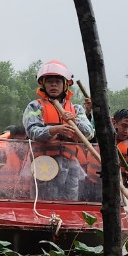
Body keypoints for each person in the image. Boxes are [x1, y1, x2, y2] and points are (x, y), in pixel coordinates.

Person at [22, 60, 93, 200]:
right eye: (49, 82)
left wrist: (75, 122)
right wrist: (55, 130)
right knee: (47, 204)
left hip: (71, 165)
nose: (53, 84)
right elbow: (32, 132)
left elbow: (89, 133)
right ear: (43, 85)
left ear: (65, 85)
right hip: (44, 164)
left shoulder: (76, 109)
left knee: (70, 203)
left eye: (57, 82)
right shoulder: (35, 106)